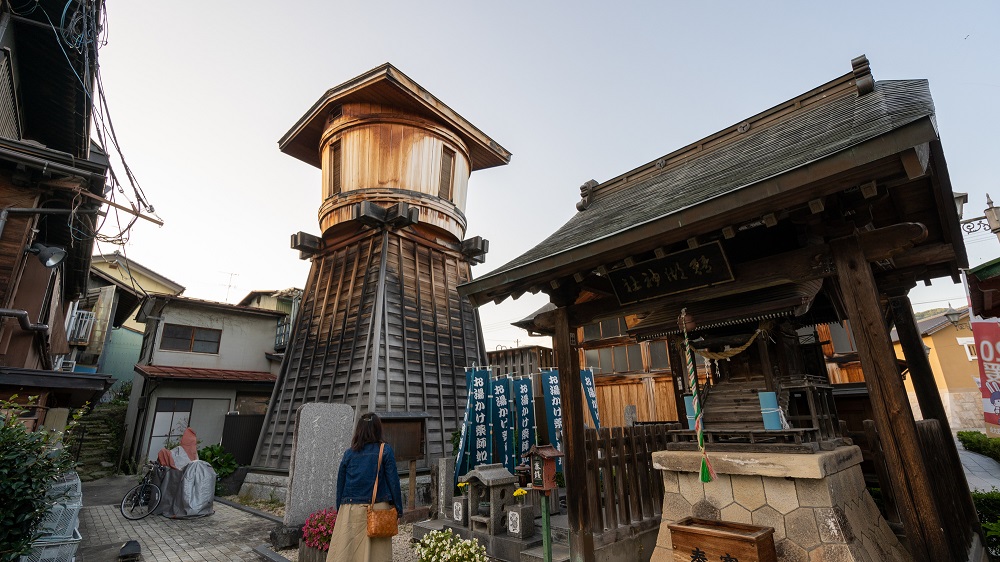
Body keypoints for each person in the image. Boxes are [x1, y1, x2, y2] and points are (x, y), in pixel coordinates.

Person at [327, 412, 403, 562]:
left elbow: (340, 484)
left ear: (359, 430)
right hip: (378, 507)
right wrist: (398, 510)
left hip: (350, 509)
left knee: (348, 554)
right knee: (377, 555)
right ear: (377, 429)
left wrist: (340, 510)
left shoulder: (349, 454)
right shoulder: (385, 450)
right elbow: (394, 482)